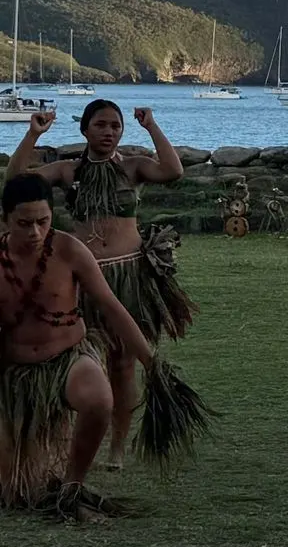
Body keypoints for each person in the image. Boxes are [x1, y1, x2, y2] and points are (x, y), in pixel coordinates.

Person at [0, 174, 207, 518]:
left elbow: (112, 307)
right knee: (12, 493)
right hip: (11, 371)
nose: (35, 232)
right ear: (5, 219)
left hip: (67, 358)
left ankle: (72, 488)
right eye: (24, 224)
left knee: (99, 398)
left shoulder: (68, 250)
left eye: (43, 221)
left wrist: (151, 361)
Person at [7, 102, 187, 470]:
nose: (108, 132)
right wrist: (33, 133)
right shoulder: (67, 171)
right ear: (84, 130)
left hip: (128, 274)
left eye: (115, 126)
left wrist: (152, 126)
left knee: (121, 363)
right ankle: (70, 437)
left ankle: (117, 446)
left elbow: (173, 170)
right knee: (75, 357)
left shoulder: (132, 167)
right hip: (80, 278)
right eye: (101, 125)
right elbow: (15, 180)